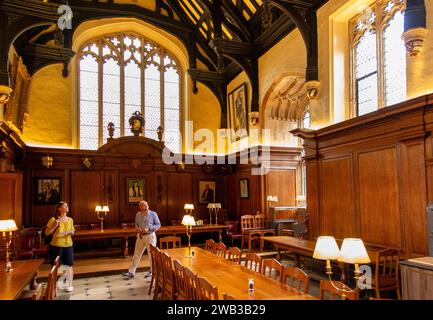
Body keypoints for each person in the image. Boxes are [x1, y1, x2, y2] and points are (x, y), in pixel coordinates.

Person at [123, 200, 161, 279]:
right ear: (140, 207)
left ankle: (152, 271)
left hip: (150, 236)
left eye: (147, 204)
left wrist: (149, 228)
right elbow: (136, 225)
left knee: (151, 255)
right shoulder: (138, 215)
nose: (146, 206)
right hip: (140, 236)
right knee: (136, 254)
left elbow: (158, 225)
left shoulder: (153, 214)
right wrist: (138, 229)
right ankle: (131, 272)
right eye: (144, 205)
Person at [44, 201, 75, 292]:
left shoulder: (70, 220)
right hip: (56, 245)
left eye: (67, 206)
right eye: (65, 206)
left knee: (69, 265)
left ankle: (70, 285)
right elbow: (46, 233)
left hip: (68, 244)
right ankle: (53, 286)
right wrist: (55, 225)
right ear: (59, 209)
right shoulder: (53, 219)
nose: (67, 207)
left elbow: (71, 231)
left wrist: (72, 232)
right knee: (55, 267)